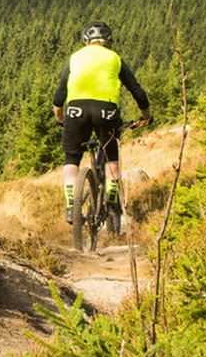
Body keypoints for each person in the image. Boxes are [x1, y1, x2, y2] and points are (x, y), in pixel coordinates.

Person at [52, 20, 151, 226]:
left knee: (72, 157)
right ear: (108, 41)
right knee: (110, 156)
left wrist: (60, 118)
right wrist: (146, 116)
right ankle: (113, 206)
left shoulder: (75, 57)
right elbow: (137, 91)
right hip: (106, 111)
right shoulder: (115, 58)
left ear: (86, 40)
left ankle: (72, 205)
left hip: (76, 110)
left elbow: (59, 95)